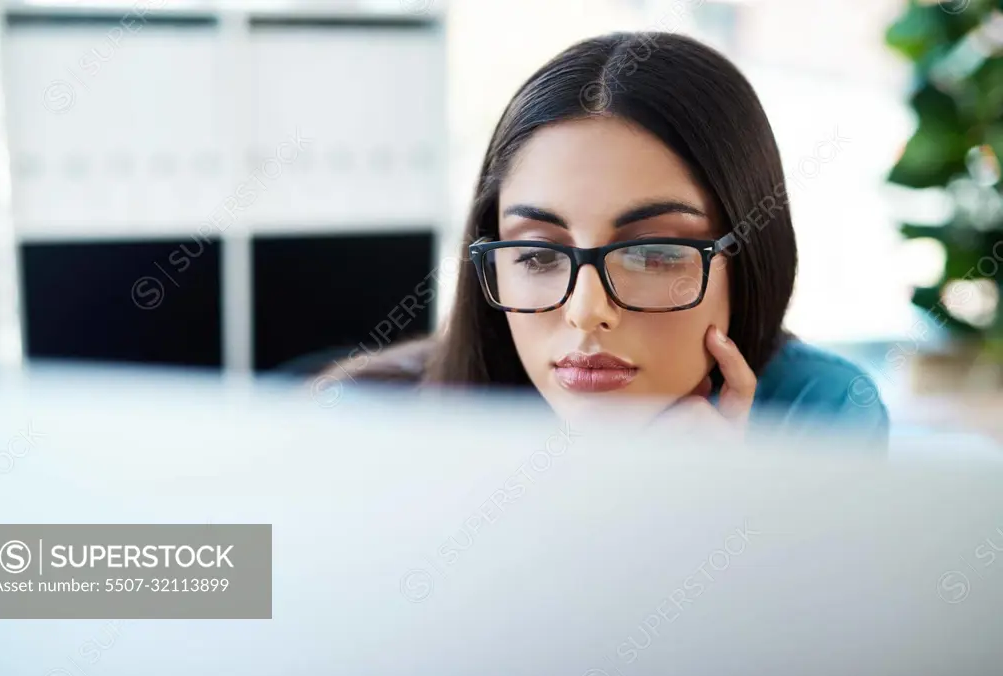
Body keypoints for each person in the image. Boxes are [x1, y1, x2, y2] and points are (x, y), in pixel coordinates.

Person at [322, 31, 889, 447]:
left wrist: (714, 506)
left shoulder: (819, 413)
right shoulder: (365, 421)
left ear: (751, 258)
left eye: (654, 253)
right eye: (538, 254)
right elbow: (244, 596)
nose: (586, 312)